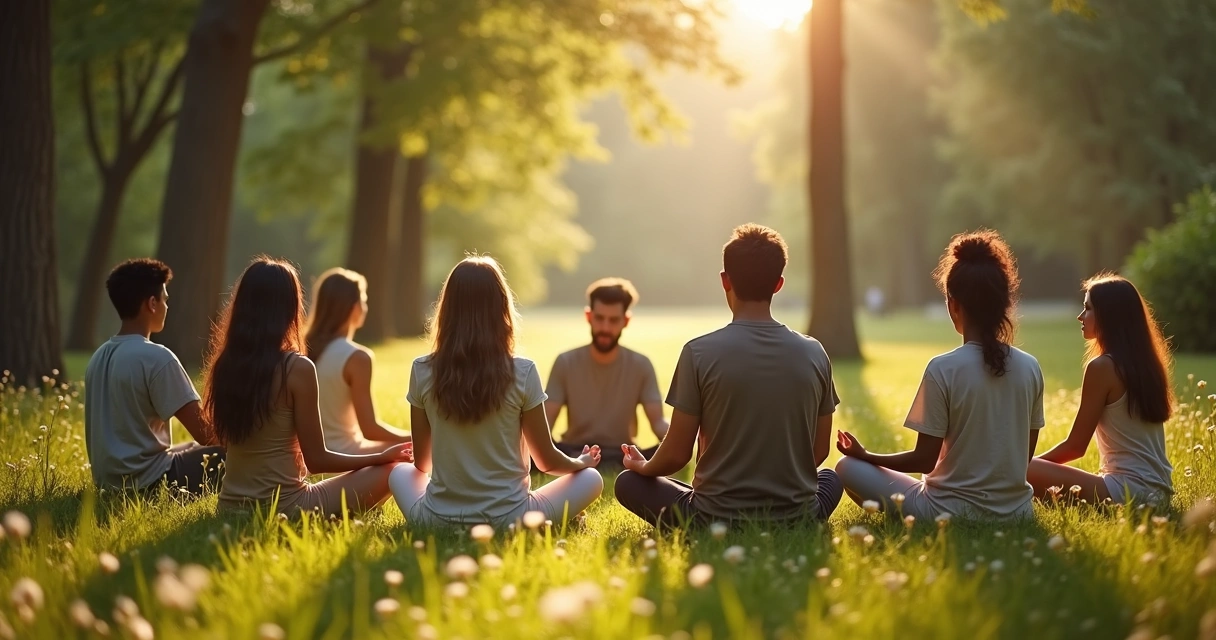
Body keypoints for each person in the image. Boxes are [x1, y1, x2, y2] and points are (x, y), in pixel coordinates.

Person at [614, 224, 843, 528]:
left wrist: (644, 467)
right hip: (797, 513)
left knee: (627, 482)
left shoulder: (698, 352)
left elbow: (677, 454)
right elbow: (818, 451)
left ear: (725, 280)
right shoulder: (815, 352)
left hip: (713, 516)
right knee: (830, 478)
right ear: (778, 284)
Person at [835, 230, 1044, 521]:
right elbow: (1024, 456)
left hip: (946, 513)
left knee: (846, 468)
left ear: (953, 304)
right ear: (1002, 304)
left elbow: (924, 459)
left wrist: (866, 455)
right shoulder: (1030, 367)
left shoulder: (942, 368)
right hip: (1018, 513)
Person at [389, 256, 604, 528]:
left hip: (436, 519)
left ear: (447, 309)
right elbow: (546, 462)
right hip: (511, 519)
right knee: (591, 479)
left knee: (400, 472)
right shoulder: (522, 371)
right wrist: (581, 461)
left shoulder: (422, 369)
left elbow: (422, 463)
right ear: (502, 308)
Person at [205, 258, 411, 516]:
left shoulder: (226, 364)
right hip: (285, 507)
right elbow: (318, 459)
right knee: (393, 470)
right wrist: (383, 456)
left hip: (228, 508)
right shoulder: (296, 367)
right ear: (290, 306)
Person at [1027, 274, 1174, 506]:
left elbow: (1075, 447)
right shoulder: (1145, 364)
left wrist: (1026, 470)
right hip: (1158, 492)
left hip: (1128, 492)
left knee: (1016, 469)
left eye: (1087, 308)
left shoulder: (1103, 367)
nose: (1080, 316)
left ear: (1109, 316)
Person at [84, 259, 224, 494]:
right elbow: (205, 434)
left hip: (108, 484)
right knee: (238, 453)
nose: (167, 307)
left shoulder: (98, 357)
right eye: (165, 300)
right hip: (150, 481)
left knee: (188, 447)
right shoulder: (156, 357)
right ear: (152, 304)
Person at [544, 278, 667, 466]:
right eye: (599, 318)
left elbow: (658, 423)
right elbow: (546, 424)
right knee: (535, 452)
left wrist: (682, 437)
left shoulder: (641, 365)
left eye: (614, 320)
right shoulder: (565, 362)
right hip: (574, 451)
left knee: (663, 454)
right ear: (588, 317)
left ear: (626, 321)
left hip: (620, 453)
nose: (605, 328)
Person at [304, 268, 411, 454]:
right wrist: (417, 437)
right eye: (364, 300)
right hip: (347, 454)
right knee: (417, 451)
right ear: (355, 308)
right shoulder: (357, 357)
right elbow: (370, 430)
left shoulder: (303, 348)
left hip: (310, 456)